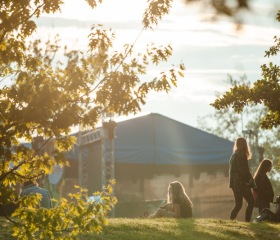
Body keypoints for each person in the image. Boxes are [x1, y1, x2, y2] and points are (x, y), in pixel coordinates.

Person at [229, 137, 256, 222]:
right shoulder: (242, 154)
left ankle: (231, 221)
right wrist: (249, 182)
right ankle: (247, 221)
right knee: (251, 202)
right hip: (241, 183)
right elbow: (244, 170)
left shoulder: (234, 155)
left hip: (234, 183)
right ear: (244, 144)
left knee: (238, 204)